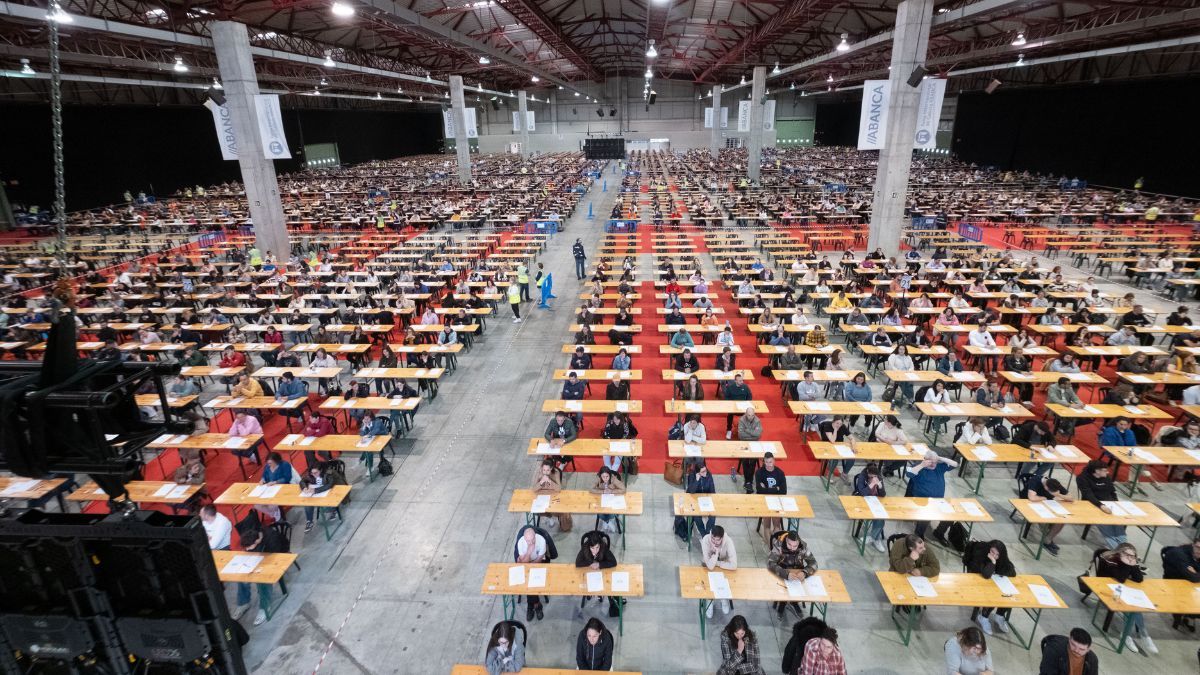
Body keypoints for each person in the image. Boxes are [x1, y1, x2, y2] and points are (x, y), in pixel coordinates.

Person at [1096, 543, 1156, 654]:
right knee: (1131, 605)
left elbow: (1139, 578)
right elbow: (1121, 578)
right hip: (1105, 588)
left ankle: (1142, 634)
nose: (1130, 557)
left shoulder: (1130, 560)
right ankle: (1129, 635)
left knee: (1135, 603)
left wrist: (1133, 564)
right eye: (1127, 554)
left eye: (1132, 555)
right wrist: (1128, 564)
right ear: (1120, 553)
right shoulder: (1111, 560)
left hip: (1119, 588)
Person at [231, 516, 288, 626]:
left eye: (249, 547)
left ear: (257, 541)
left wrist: (259, 567)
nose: (248, 550)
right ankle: (243, 603)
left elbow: (275, 558)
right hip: (260, 559)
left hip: (277, 557)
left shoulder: (272, 538)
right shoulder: (251, 535)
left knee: (262, 579)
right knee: (241, 577)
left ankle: (264, 606)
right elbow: (250, 552)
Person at [965, 540, 1016, 636]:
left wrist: (998, 572)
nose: (994, 556)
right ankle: (983, 617)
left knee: (1010, 594)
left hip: (993, 582)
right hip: (977, 582)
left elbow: (1012, 572)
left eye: (997, 554)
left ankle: (999, 615)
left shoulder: (1002, 559)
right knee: (994, 596)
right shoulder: (981, 555)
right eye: (992, 552)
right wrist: (993, 562)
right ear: (989, 549)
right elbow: (986, 574)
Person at [908, 450, 959, 542]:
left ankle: (939, 532)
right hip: (922, 500)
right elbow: (909, 474)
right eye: (930, 462)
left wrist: (940, 458)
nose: (933, 464)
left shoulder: (939, 467)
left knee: (950, 515)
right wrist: (922, 465)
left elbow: (955, 464)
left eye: (935, 462)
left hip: (938, 500)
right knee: (926, 516)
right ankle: (919, 534)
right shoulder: (919, 467)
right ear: (925, 459)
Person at [767, 531, 818, 620]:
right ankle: (782, 605)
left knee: (798, 590)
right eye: (789, 545)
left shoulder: (803, 546)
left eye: (795, 546)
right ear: (786, 540)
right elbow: (770, 563)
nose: (792, 548)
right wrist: (786, 574)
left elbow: (814, 563)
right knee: (784, 590)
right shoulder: (779, 545)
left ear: (798, 542)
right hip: (782, 573)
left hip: (798, 575)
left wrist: (805, 572)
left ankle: (794, 602)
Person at [1078, 459, 1125, 548]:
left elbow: (1112, 491)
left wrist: (1116, 503)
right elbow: (1088, 495)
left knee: (1118, 522)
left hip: (1109, 504)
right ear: (1097, 471)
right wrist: (1101, 506)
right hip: (1092, 504)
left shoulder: (1106, 477)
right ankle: (1118, 550)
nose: (1107, 472)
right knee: (1105, 525)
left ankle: (1125, 547)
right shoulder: (1082, 478)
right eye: (1105, 470)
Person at [1024, 475, 1074, 556]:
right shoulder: (1035, 480)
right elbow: (1032, 498)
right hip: (1032, 504)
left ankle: (1047, 540)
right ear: (1046, 487)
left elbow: (1071, 498)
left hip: (1047, 504)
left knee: (1062, 520)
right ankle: (1047, 541)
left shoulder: (1054, 483)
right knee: (1046, 519)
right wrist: (1045, 498)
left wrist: (1059, 495)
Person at [575, 530, 619, 618]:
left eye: (597, 547)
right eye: (592, 548)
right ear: (589, 546)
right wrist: (591, 563)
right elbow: (578, 563)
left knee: (609, 585)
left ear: (600, 545)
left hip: (602, 573)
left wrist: (600, 564)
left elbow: (613, 562)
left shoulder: (603, 547)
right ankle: (591, 593)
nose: (595, 551)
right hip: (589, 574)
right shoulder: (585, 547)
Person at [1162, 536, 1200, 630]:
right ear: (1193, 545)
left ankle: (1190, 616)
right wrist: (1195, 574)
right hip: (1174, 583)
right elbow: (1193, 577)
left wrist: (1195, 573)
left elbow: (1194, 576)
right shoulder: (1180, 554)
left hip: (1189, 582)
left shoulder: (1195, 554)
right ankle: (1188, 615)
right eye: (1198, 547)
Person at [701, 525, 737, 618]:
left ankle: (723, 598)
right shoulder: (706, 540)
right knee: (707, 582)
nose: (715, 542)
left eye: (718, 540)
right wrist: (716, 553)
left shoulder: (728, 542)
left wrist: (717, 563)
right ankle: (710, 600)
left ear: (722, 538)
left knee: (724, 580)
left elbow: (734, 565)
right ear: (711, 535)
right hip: (708, 565)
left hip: (723, 565)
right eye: (713, 539)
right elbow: (709, 566)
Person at [515, 526, 548, 621]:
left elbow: (539, 560)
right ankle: (537, 604)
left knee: (532, 582)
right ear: (525, 539)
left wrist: (530, 566)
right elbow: (523, 564)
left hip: (538, 563)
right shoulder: (521, 543)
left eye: (533, 539)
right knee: (528, 582)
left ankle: (530, 605)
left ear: (535, 536)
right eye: (528, 541)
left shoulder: (541, 541)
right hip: (526, 562)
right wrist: (529, 552)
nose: (531, 542)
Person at [853, 462, 888, 553]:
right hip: (862, 501)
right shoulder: (862, 477)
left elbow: (883, 495)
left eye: (875, 476)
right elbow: (862, 493)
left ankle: (873, 538)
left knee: (881, 517)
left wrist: (880, 486)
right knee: (877, 517)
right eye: (871, 476)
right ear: (868, 473)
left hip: (875, 501)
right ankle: (876, 539)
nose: (873, 478)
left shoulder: (878, 476)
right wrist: (871, 484)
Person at [755, 453, 787, 545]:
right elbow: (759, 490)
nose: (769, 464)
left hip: (776, 500)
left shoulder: (780, 473)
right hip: (764, 500)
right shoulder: (759, 473)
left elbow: (784, 491)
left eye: (770, 462)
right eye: (766, 462)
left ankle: (777, 546)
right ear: (764, 462)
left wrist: (766, 489)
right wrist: (776, 488)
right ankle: (771, 548)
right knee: (767, 526)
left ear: (774, 461)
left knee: (777, 526)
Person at [298, 463, 335, 533]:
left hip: (328, 492)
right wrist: (304, 488)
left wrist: (316, 490)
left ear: (321, 470)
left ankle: (333, 510)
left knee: (326, 503)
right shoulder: (311, 475)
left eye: (316, 473)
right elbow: (302, 481)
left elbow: (330, 485)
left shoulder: (328, 474)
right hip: (317, 494)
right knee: (307, 503)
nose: (314, 474)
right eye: (312, 473)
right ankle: (309, 521)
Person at [590, 467, 626, 533]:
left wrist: (612, 491)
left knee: (610, 513)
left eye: (607, 476)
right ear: (600, 475)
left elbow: (623, 489)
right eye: (603, 477)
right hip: (602, 498)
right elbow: (591, 489)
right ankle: (608, 522)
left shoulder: (614, 479)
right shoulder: (598, 478)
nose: (605, 479)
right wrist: (602, 491)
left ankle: (606, 522)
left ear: (610, 475)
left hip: (612, 498)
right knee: (601, 513)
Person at [736, 408, 763, 491]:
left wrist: (747, 430)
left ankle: (748, 481)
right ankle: (748, 481)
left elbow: (758, 434)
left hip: (754, 443)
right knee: (745, 460)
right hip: (744, 443)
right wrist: (752, 434)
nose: (750, 417)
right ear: (745, 414)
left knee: (753, 461)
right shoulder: (742, 420)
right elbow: (741, 435)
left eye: (752, 415)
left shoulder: (757, 421)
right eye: (748, 415)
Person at [721, 373, 752, 439]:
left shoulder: (745, 387)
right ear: (735, 381)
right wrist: (731, 403)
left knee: (750, 414)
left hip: (743, 407)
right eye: (740, 381)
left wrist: (747, 403)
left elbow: (749, 396)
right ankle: (729, 430)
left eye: (742, 380)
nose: (742, 382)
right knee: (730, 414)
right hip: (733, 407)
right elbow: (726, 397)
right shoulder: (730, 387)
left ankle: (746, 430)